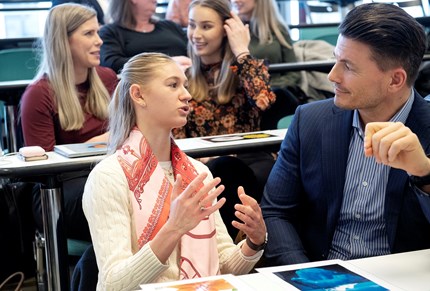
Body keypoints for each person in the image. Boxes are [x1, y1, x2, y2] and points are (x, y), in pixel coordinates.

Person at [260, 3, 430, 267]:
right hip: (319, 272)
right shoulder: (309, 121)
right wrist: (307, 275)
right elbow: (276, 212)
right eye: (336, 60)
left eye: (348, 67)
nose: (332, 76)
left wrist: (425, 173)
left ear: (395, 80)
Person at [82, 52, 267, 290]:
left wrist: (254, 241)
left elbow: (223, 266)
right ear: (138, 95)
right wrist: (174, 228)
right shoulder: (108, 176)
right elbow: (113, 285)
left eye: (185, 86)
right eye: (173, 85)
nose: (187, 95)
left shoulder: (197, 171)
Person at [172, 0, 276, 239]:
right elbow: (175, 135)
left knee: (224, 168)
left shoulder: (244, 69)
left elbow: (264, 100)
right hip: (201, 168)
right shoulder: (183, 77)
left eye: (206, 26)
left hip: (248, 163)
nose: (196, 34)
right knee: (213, 171)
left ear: (227, 29)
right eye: (191, 25)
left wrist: (242, 51)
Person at [20, 3, 118, 241]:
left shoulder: (107, 78)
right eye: (89, 33)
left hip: (107, 177)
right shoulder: (38, 94)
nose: (100, 40)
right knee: (110, 194)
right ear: (63, 41)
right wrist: (104, 140)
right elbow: (44, 167)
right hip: (58, 191)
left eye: (98, 31)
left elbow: (132, 132)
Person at [232, 0, 304, 129]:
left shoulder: (278, 29)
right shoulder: (234, 31)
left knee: (279, 97)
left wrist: (268, 87)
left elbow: (294, 73)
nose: (235, 1)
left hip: (277, 92)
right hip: (245, 93)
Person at [99, 0, 191, 73]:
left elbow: (194, 50)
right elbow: (111, 63)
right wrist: (167, 62)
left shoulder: (169, 26)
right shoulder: (111, 32)